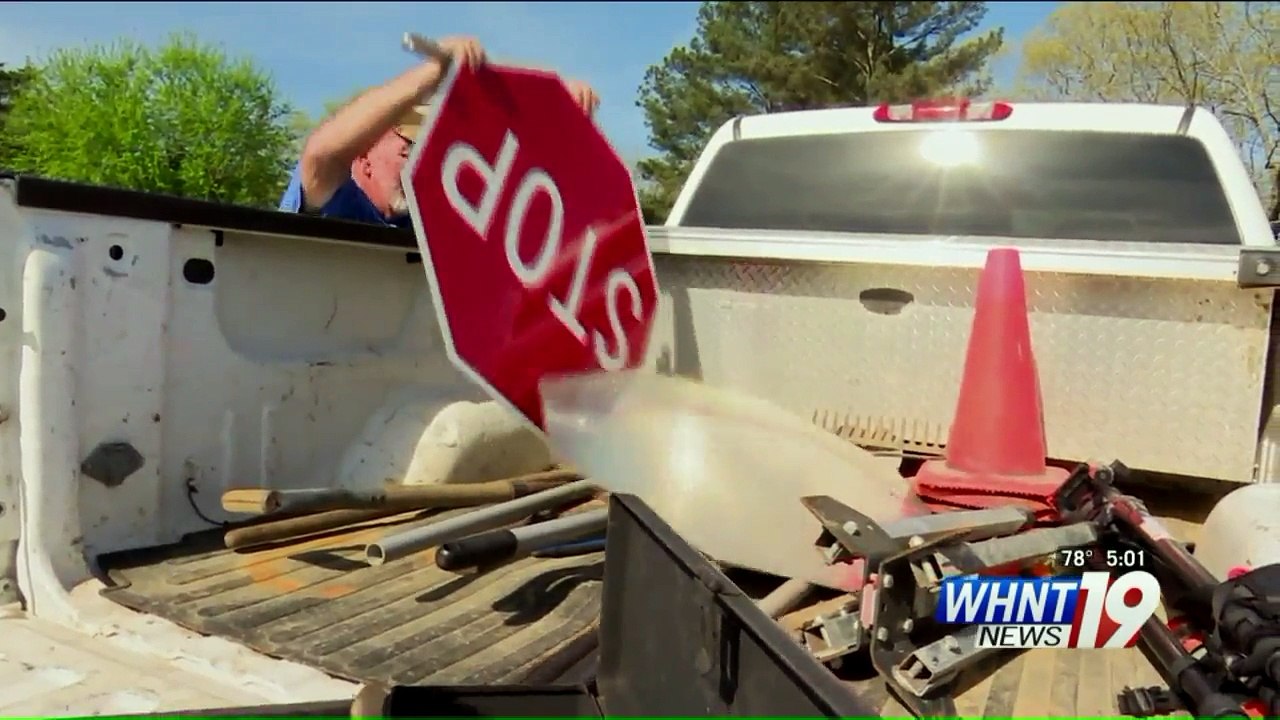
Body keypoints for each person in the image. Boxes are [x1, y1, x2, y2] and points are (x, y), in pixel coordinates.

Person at [279, 36, 600, 227]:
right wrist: (433, 72)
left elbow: (525, 207)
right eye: (409, 150)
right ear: (364, 158)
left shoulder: (431, 230)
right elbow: (322, 157)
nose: (421, 165)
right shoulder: (338, 203)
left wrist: (559, 124)